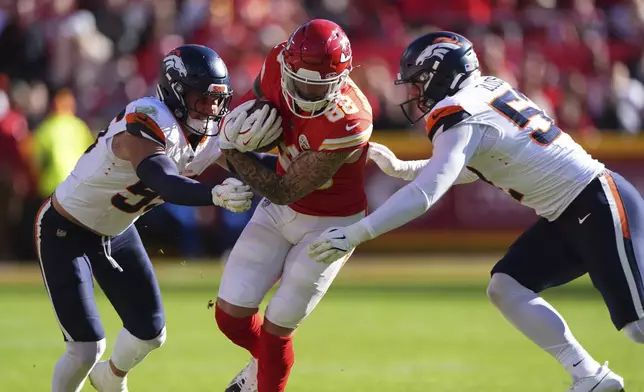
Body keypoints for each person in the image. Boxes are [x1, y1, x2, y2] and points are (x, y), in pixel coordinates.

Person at [309, 31, 637, 392]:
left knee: (637, 326)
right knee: (507, 287)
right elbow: (472, 165)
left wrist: (359, 232)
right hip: (569, 212)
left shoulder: (459, 112)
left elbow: (429, 190)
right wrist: (405, 169)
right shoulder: (486, 90)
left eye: (419, 81)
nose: (416, 92)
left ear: (443, 73)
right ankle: (589, 376)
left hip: (597, 201)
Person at [35, 45, 261, 392]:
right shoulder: (148, 118)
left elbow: (255, 168)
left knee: (151, 332)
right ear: (175, 91)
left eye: (217, 101)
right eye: (201, 100)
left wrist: (314, 171)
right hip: (66, 229)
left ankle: (110, 379)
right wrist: (212, 194)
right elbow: (163, 180)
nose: (211, 110)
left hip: (116, 231)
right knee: (85, 348)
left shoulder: (209, 133)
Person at [214, 19, 374, 392]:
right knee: (230, 316)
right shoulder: (275, 62)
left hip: (330, 225)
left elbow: (286, 189)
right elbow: (257, 111)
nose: (304, 90)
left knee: (277, 327)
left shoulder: (350, 120)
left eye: (317, 85)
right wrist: (242, 130)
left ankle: (268, 377)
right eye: (299, 79)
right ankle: (267, 369)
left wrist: (229, 150)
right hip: (279, 211)